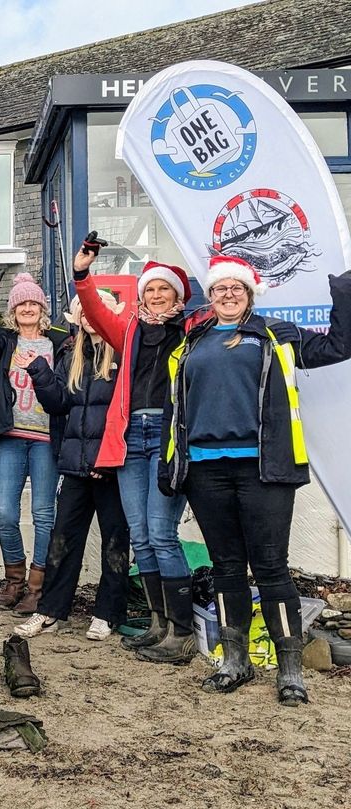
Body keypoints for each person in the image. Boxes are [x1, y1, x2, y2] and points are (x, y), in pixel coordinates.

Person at [161, 255, 351, 705]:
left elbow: (339, 347)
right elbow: (177, 409)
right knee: (226, 568)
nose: (228, 295)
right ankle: (235, 660)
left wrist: (343, 294)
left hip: (264, 469)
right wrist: (171, 466)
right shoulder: (191, 342)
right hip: (205, 471)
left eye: (237, 289)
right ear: (210, 296)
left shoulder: (274, 335)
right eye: (220, 289)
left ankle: (290, 672)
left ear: (250, 294)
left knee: (271, 568)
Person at [73, 235, 197, 663]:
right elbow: (95, 311)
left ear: (178, 296)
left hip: (165, 436)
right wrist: (83, 274)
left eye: (164, 289)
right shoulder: (129, 331)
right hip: (130, 440)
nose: (157, 295)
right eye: (150, 290)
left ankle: (181, 632)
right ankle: (159, 624)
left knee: (162, 533)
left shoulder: (191, 332)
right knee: (141, 536)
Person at [11, 293, 131, 641]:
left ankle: (107, 614)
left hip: (109, 467)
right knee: (62, 540)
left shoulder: (121, 352)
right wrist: (39, 371)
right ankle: (50, 610)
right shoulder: (71, 354)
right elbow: (59, 405)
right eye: (84, 313)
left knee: (115, 541)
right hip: (75, 467)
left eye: (96, 311)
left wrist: (105, 461)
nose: (90, 318)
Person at [0, 263, 70, 613]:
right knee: (5, 513)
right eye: (21, 305)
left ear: (43, 310)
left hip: (46, 439)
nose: (28, 309)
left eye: (33, 304)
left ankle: (37, 584)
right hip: (12, 437)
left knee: (44, 513)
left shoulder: (58, 344)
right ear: (14, 312)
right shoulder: (6, 344)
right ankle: (14, 578)